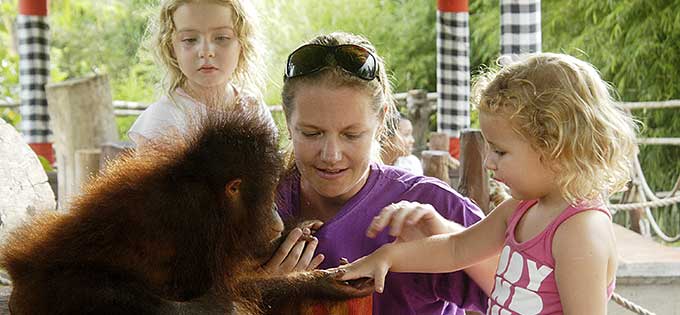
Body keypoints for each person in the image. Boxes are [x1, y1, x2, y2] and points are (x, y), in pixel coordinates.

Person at [339, 53, 638, 315]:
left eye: (500, 151)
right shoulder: (520, 209)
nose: (488, 162)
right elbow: (456, 249)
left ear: (555, 147)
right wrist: (387, 257)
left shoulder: (579, 231)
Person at [264, 31, 497, 315]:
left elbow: (533, 296)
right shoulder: (255, 205)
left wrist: (449, 240)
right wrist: (259, 293)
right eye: (312, 133)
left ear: (381, 119)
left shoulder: (433, 205)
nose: (331, 154)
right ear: (288, 123)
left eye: (352, 135)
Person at [128, 0, 273, 148]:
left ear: (242, 44)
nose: (206, 52)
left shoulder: (254, 108)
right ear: (171, 48)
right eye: (190, 39)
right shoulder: (162, 120)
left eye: (222, 38)